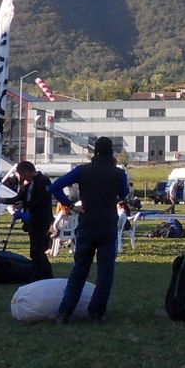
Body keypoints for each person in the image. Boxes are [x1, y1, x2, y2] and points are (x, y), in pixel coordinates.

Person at [50, 137, 131, 324]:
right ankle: (96, 312)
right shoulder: (118, 173)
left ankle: (65, 312)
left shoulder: (83, 170)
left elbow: (55, 187)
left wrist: (70, 205)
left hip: (87, 223)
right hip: (108, 225)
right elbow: (124, 193)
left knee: (79, 269)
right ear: (111, 152)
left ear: (95, 151)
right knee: (105, 273)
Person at [8, 160, 55, 280]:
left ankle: (45, 274)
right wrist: (4, 200)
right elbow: (20, 197)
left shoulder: (43, 181)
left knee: (37, 248)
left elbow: (43, 200)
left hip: (41, 219)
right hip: (32, 220)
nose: (22, 177)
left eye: (22, 174)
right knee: (35, 248)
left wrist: (25, 204)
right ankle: (38, 273)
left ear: (27, 172)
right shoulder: (28, 184)